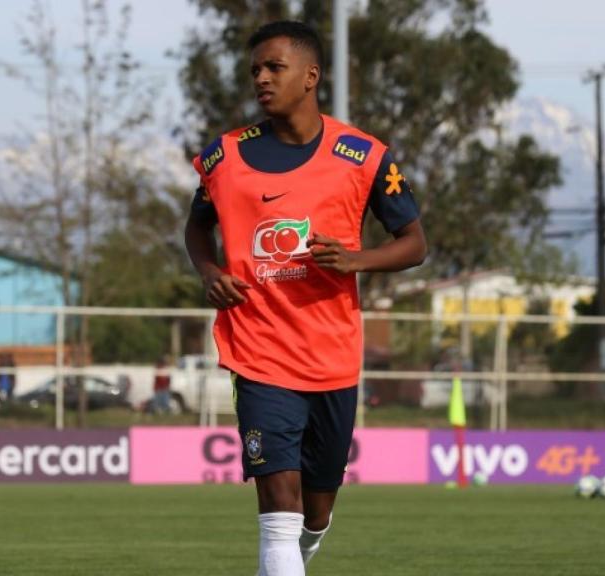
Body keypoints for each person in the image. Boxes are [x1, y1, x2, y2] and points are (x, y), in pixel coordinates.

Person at [183, 21, 426, 575]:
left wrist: (356, 259)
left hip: (333, 358)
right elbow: (196, 227)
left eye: (274, 68)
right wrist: (208, 271)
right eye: (254, 71)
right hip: (259, 352)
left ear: (310, 76)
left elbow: (415, 243)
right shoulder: (224, 158)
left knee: (313, 515)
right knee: (279, 512)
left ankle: (300, 554)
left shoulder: (364, 156)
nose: (261, 79)